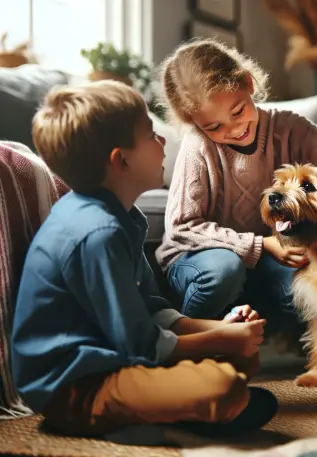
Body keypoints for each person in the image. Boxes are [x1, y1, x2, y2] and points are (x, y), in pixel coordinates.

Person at [11, 80, 277, 438]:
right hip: (74, 385)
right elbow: (141, 345)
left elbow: (151, 309)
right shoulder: (96, 233)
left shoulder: (124, 217)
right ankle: (170, 412)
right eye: (152, 135)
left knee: (243, 357)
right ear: (121, 160)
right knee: (223, 386)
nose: (163, 141)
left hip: (117, 357)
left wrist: (222, 329)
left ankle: (178, 409)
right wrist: (222, 340)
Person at [155, 39, 317, 331]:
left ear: (249, 84)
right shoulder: (197, 147)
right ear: (195, 124)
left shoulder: (289, 127)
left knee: (309, 295)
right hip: (202, 259)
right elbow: (182, 227)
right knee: (225, 271)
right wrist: (261, 244)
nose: (233, 129)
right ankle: (185, 339)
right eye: (213, 127)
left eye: (238, 111)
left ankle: (249, 330)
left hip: (269, 258)